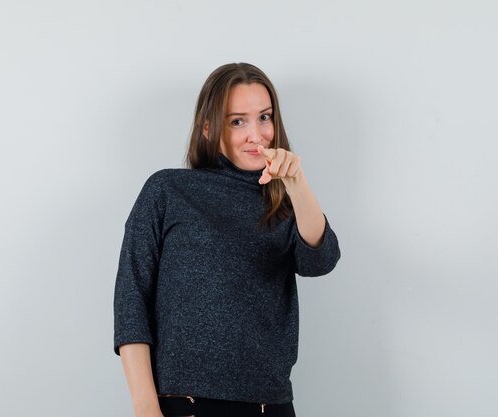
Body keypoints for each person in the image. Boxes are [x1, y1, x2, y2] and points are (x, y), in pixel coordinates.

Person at [113, 63, 341, 417]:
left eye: (264, 117)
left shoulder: (283, 204)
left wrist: (296, 183)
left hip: (270, 406)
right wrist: (145, 407)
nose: (257, 134)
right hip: (184, 404)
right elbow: (132, 302)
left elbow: (320, 260)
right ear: (208, 128)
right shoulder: (168, 190)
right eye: (238, 121)